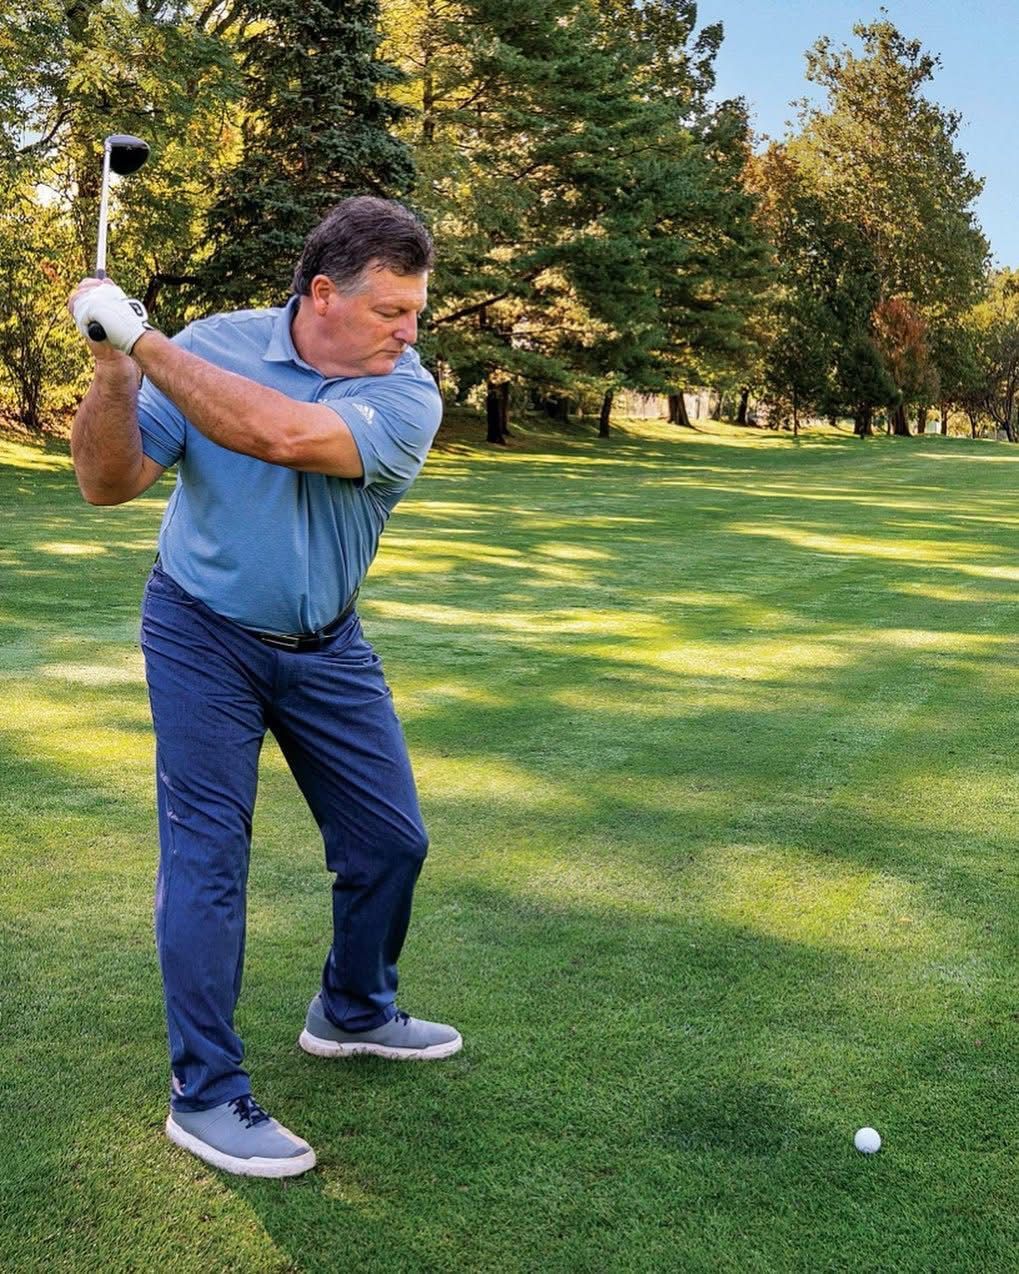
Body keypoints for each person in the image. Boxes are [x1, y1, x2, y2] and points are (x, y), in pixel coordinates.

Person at [68, 196, 462, 1180]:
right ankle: (203, 1093)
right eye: (392, 311)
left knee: (391, 840)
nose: (410, 333)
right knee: (207, 853)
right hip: (199, 625)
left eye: (416, 311)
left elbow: (284, 436)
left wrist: (144, 338)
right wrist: (116, 370)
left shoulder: (407, 393)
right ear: (322, 294)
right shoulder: (213, 344)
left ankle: (353, 1004)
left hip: (325, 640)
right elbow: (107, 482)